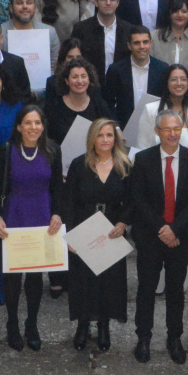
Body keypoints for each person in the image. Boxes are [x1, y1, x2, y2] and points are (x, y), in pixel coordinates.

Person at [130, 111, 188, 363]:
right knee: (146, 288)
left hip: (179, 237)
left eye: (177, 128)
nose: (173, 133)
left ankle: (174, 337)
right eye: (167, 129)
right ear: (157, 131)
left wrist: (175, 229)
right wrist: (162, 228)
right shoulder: (142, 160)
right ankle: (143, 337)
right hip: (151, 236)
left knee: (176, 290)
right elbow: (138, 200)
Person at [0, 107, 67, 351]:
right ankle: (12, 324)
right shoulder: (7, 150)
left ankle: (31, 324)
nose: (33, 127)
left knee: (35, 277)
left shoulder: (53, 150)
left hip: (42, 218)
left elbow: (58, 188)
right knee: (13, 278)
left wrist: (58, 212)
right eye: (28, 122)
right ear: (19, 126)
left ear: (43, 126)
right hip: (14, 217)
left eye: (37, 122)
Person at [64, 118, 133, 352]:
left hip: (112, 231)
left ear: (115, 139)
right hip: (84, 230)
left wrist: (123, 223)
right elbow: (69, 202)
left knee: (109, 281)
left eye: (109, 135)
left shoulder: (124, 165)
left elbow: (132, 201)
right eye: (100, 135)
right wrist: (71, 235)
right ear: (92, 138)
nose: (105, 140)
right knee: (83, 280)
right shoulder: (78, 165)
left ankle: (104, 325)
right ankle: (83, 325)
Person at [103, 26, 170, 126]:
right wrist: (115, 128)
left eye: (145, 42)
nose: (142, 46)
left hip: (154, 127)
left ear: (151, 43)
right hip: (123, 128)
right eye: (136, 43)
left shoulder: (162, 69)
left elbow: (166, 100)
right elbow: (108, 102)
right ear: (129, 46)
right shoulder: (116, 70)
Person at [134, 63, 188, 149]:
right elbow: (141, 146)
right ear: (166, 83)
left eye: (183, 79)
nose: (179, 83)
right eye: (173, 79)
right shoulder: (150, 110)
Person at [7, 0, 61, 95]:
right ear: (11, 8)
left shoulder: (50, 32)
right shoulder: (1, 32)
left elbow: (56, 65)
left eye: (29, 3)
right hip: (10, 95)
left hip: (44, 95)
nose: (25, 6)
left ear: (35, 8)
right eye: (19, 3)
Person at [74, 0, 129, 77]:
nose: (108, 3)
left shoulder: (128, 30)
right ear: (96, 2)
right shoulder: (81, 29)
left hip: (120, 88)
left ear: (118, 2)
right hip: (90, 87)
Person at [149, 0, 188, 76]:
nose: (180, 15)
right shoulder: (154, 37)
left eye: (184, 11)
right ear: (169, 13)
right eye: (175, 11)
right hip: (161, 87)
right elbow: (150, 66)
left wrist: (186, 85)